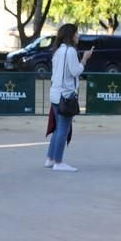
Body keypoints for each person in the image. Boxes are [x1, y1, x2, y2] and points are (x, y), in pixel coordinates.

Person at [45, 24, 93, 172]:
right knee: (63, 130)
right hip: (65, 95)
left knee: (58, 128)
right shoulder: (70, 51)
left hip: (55, 93)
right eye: (76, 33)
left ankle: (50, 158)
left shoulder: (58, 51)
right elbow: (75, 71)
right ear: (70, 35)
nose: (78, 36)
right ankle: (58, 162)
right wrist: (85, 59)